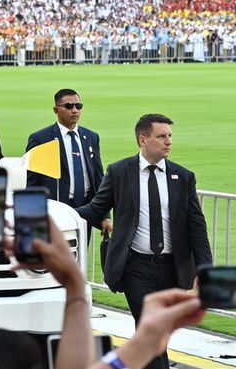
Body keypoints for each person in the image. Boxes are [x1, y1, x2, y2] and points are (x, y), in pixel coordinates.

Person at [76, 114, 211, 369]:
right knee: (151, 327)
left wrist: (204, 270)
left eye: (170, 136)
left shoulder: (183, 177)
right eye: (162, 136)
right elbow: (96, 209)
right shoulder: (118, 172)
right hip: (135, 267)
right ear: (143, 139)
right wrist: (56, 213)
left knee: (156, 333)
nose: (168, 141)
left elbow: (197, 226)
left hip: (173, 268)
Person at [24, 89, 104, 210]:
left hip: (88, 207)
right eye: (68, 106)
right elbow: (32, 182)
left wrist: (104, 216)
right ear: (56, 110)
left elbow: (98, 177)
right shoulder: (41, 139)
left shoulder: (92, 137)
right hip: (56, 208)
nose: (74, 110)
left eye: (78, 106)